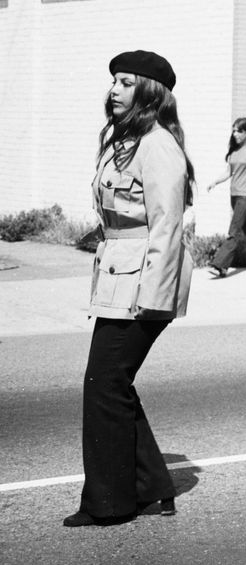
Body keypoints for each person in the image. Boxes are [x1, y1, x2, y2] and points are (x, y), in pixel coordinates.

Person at [64, 50, 194, 527]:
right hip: (119, 277)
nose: (114, 90)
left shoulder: (158, 145)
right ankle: (151, 488)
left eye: (125, 82)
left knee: (104, 384)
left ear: (150, 92)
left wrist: (153, 299)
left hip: (143, 284)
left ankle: (111, 503)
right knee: (111, 384)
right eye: (113, 82)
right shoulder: (124, 141)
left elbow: (167, 226)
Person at [206, 117, 246, 277]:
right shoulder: (234, 151)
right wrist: (215, 182)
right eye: (233, 131)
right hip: (234, 196)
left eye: (238, 131)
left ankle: (220, 264)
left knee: (234, 230)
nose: (235, 134)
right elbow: (229, 172)